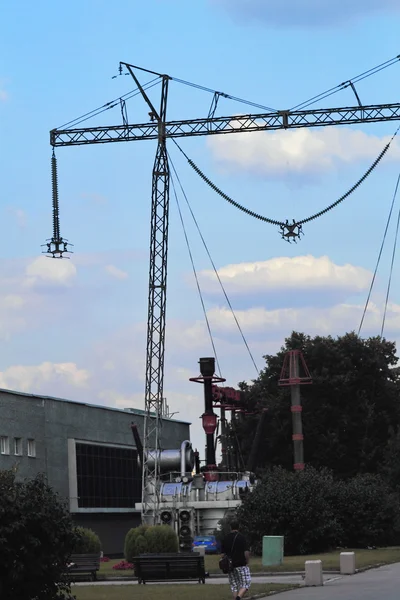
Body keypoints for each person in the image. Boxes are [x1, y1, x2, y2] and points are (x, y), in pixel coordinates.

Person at [221, 520, 251, 600]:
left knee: (234, 585)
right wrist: (247, 561)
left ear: (230, 528)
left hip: (230, 566)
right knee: (246, 583)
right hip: (241, 564)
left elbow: (222, 554)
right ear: (239, 527)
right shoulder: (242, 537)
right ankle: (238, 598)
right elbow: (246, 552)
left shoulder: (225, 538)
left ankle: (235, 598)